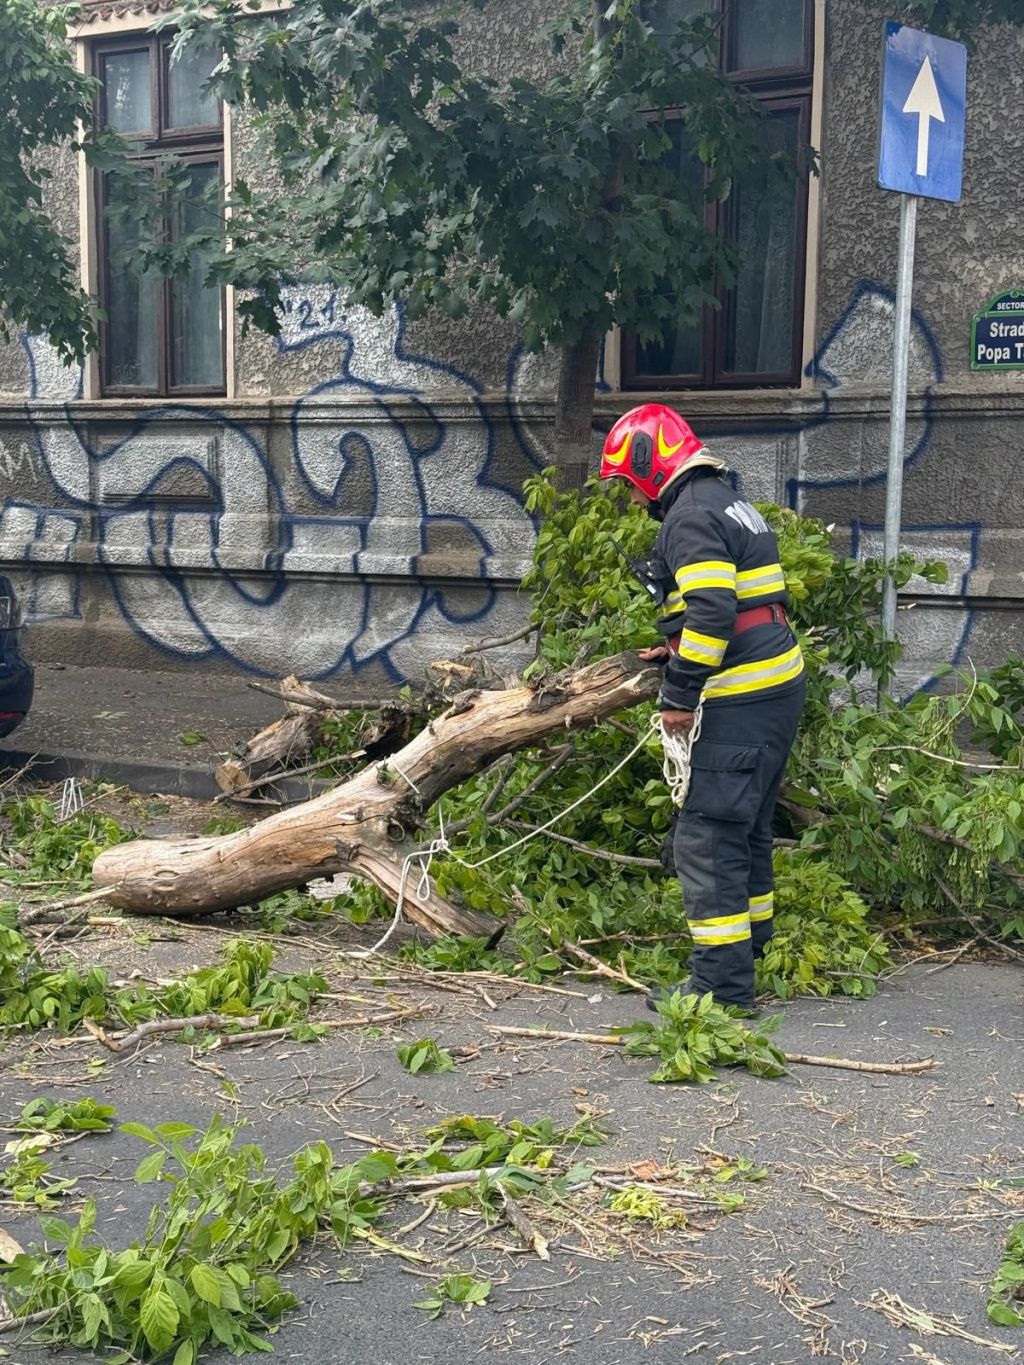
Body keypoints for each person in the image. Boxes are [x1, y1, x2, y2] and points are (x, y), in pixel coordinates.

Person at [599, 402, 806, 1012]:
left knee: (708, 836)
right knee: (749, 827)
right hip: (777, 681)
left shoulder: (687, 515)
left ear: (648, 464)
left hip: (741, 694)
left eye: (630, 485)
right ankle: (752, 951)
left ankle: (722, 988)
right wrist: (676, 648)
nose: (635, 498)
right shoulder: (727, 501)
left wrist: (680, 693)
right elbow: (740, 602)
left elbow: (714, 611)